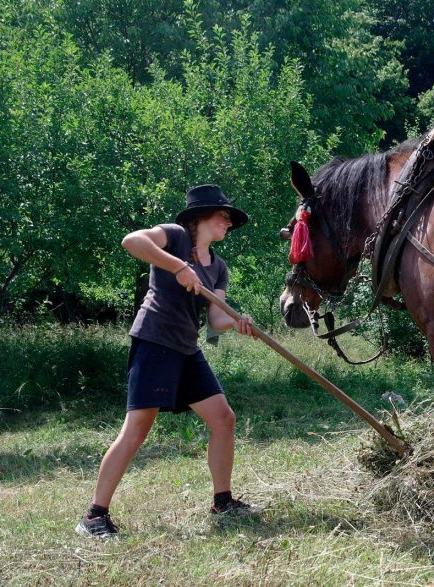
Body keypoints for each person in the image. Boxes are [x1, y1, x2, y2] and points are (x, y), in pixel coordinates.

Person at [76, 184, 258, 538]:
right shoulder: (174, 237)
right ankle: (94, 516)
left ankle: (223, 502)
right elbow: (132, 241)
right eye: (223, 216)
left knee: (223, 419)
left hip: (187, 348)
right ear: (200, 217)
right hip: (155, 340)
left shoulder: (219, 267)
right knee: (137, 429)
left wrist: (238, 321)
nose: (228, 223)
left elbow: (215, 319)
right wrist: (178, 267)